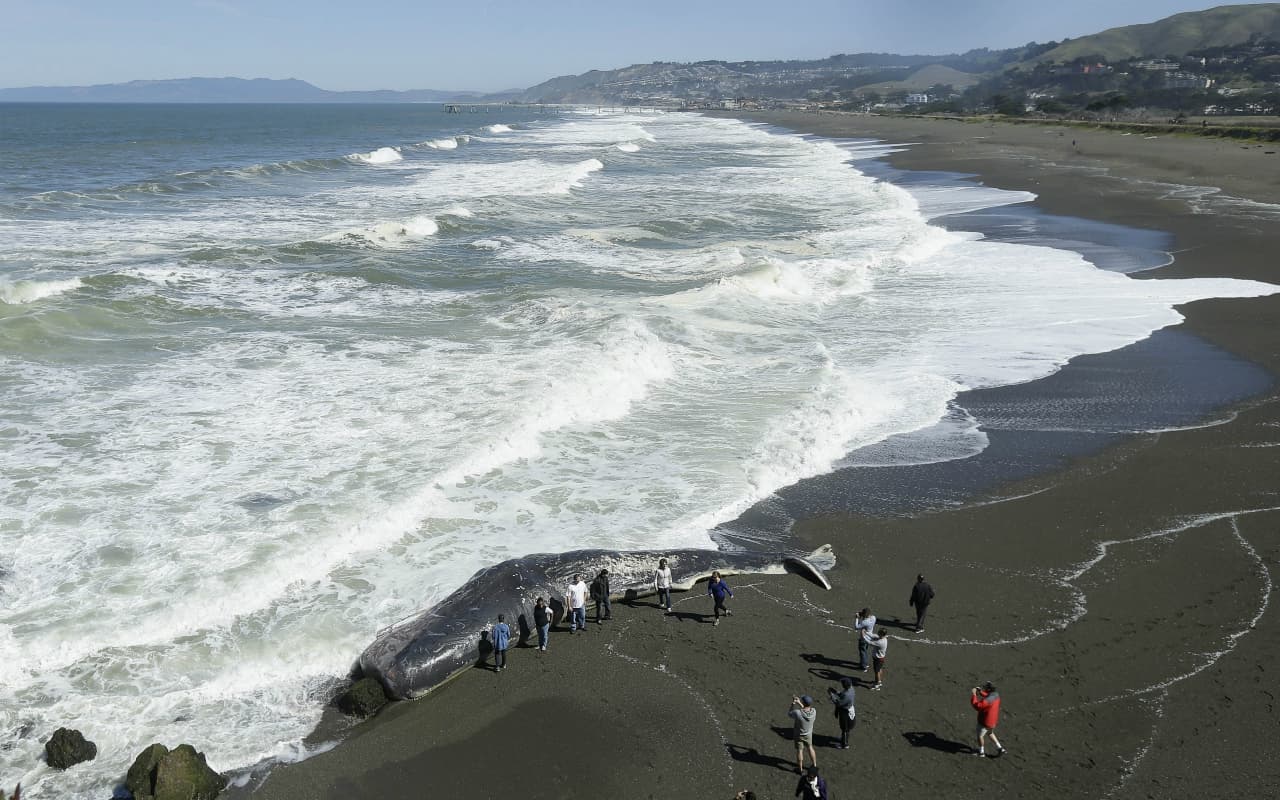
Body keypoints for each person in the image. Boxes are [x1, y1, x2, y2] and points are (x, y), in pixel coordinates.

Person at [971, 682, 1007, 757]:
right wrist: (980, 692)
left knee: (980, 736)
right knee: (990, 733)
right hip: (992, 722)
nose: (984, 688)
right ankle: (1000, 748)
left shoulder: (986, 701)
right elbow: (989, 696)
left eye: (986, 688)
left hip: (984, 722)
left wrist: (974, 695)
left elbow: (977, 706)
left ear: (989, 689)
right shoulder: (996, 695)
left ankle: (981, 752)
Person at [788, 694, 818, 773]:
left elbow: (790, 713)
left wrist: (793, 704)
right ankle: (814, 765)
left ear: (804, 702)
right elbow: (806, 711)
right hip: (808, 734)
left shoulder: (798, 713)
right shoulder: (814, 711)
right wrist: (799, 703)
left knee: (800, 751)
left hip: (799, 735)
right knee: (810, 747)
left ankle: (800, 769)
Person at [827, 677, 856, 749]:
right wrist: (836, 692)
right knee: (846, 728)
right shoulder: (851, 689)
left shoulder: (847, 695)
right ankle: (844, 739)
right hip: (849, 709)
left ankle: (844, 744)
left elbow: (839, 703)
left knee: (844, 728)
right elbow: (843, 695)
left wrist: (832, 696)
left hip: (845, 712)